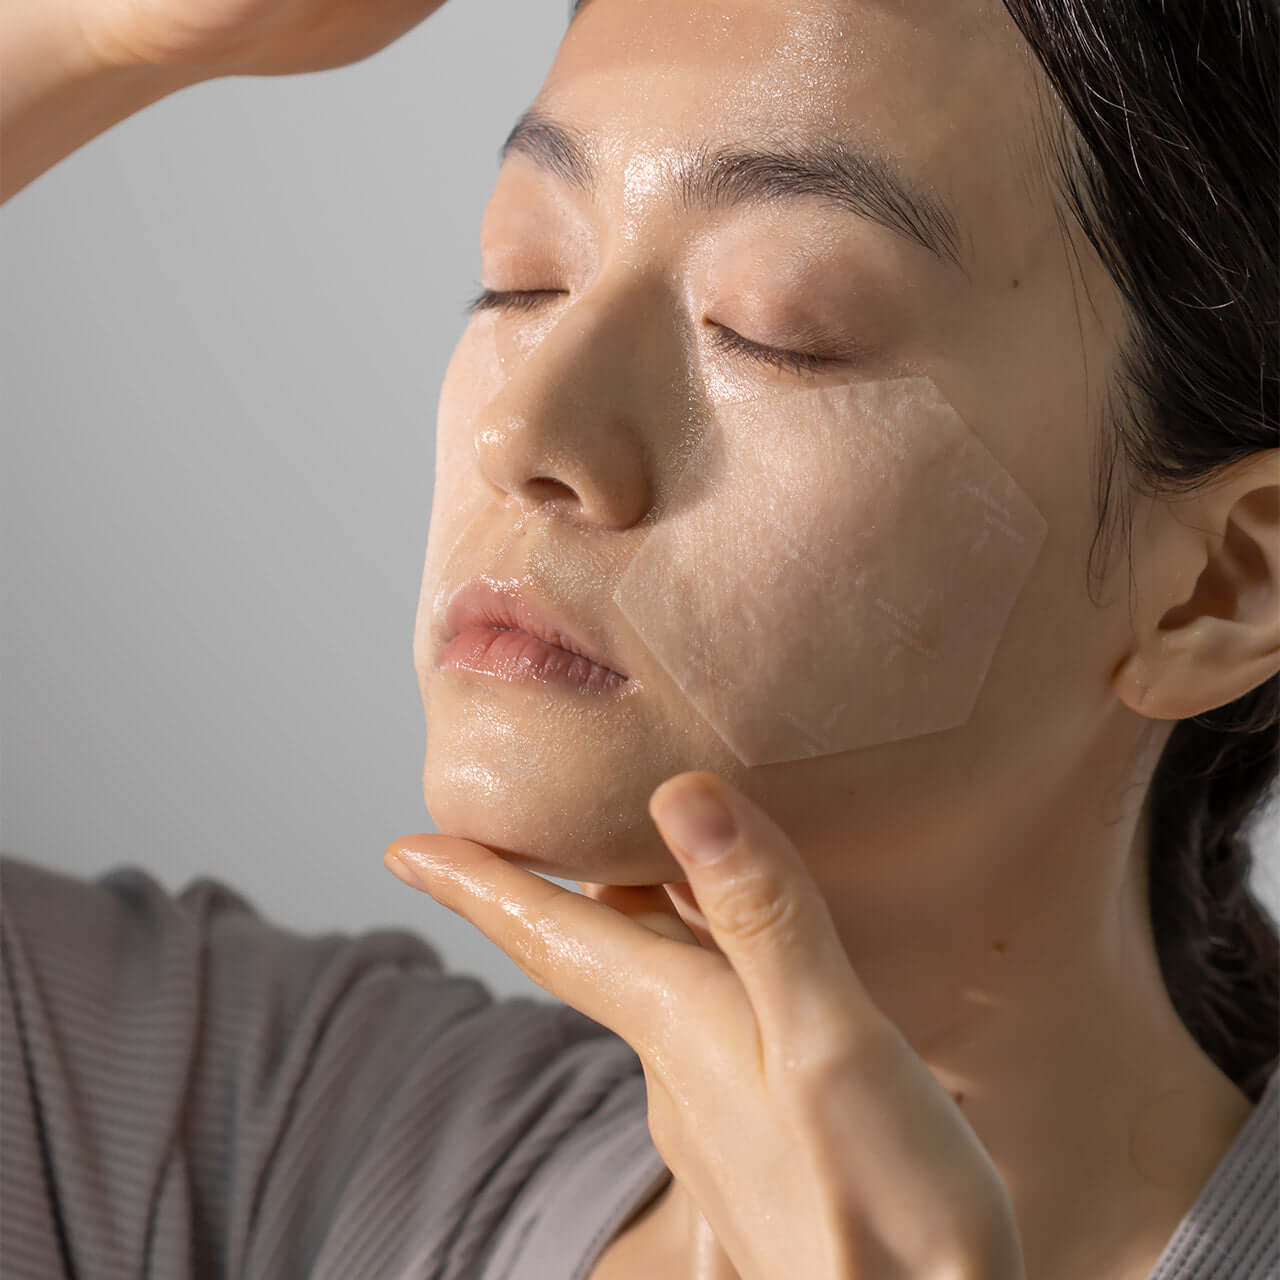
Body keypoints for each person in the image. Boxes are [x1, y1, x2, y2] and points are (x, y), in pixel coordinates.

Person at [2, 0, 1277, 1277]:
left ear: (1219, 588)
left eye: (775, 328)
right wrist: (82, 36)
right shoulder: (286, 1151)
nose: (523, 429)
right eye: (522, 275)